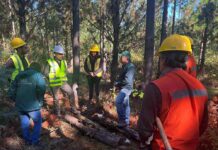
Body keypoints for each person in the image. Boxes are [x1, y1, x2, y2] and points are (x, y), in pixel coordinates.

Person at [137, 34, 208, 150]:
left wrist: (145, 143)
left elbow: (144, 130)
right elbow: (203, 125)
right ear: (186, 59)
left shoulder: (156, 87)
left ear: (164, 59)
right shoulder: (201, 88)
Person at [8, 62, 46, 146]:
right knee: (38, 122)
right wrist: (40, 101)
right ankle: (34, 142)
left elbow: (12, 89)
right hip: (33, 106)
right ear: (38, 69)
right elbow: (42, 88)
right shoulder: (38, 75)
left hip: (20, 105)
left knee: (25, 122)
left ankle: (27, 141)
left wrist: (15, 99)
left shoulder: (19, 75)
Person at [44, 45, 79, 116]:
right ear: (55, 54)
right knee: (56, 98)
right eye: (60, 54)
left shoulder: (64, 62)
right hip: (54, 84)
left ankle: (73, 109)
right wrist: (51, 80)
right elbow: (45, 73)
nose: (61, 55)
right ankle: (58, 114)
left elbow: (65, 72)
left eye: (62, 54)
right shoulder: (49, 62)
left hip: (63, 83)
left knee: (71, 92)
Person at [115, 50, 135, 128]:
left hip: (127, 88)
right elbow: (122, 77)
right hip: (124, 87)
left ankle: (122, 121)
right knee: (125, 104)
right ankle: (126, 123)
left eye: (121, 56)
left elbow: (128, 80)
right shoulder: (125, 66)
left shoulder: (130, 67)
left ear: (126, 58)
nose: (120, 58)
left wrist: (118, 83)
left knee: (118, 101)